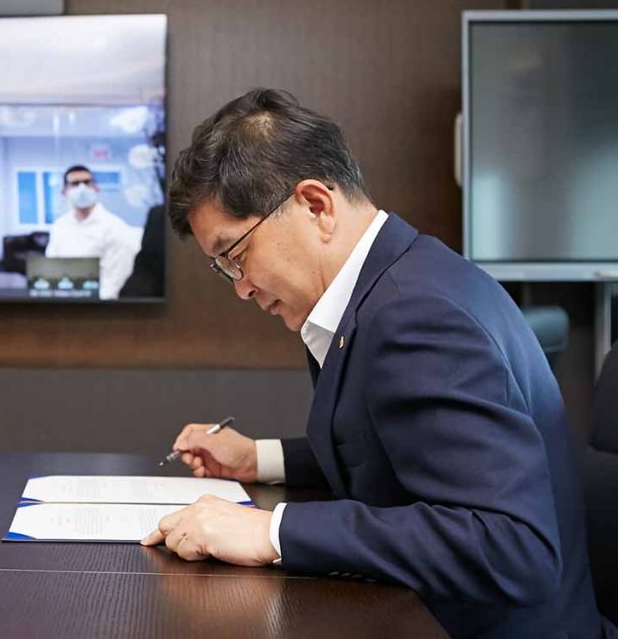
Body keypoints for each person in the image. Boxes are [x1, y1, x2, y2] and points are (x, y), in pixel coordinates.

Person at [140, 89, 607, 637]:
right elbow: (394, 447)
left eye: (236, 256)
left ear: (316, 205)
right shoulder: (396, 285)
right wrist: (257, 460)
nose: (241, 288)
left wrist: (273, 532)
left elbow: (511, 545)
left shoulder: (417, 314)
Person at [44, 165, 142, 300]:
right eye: (75, 184)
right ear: (64, 192)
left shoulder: (115, 228)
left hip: (100, 308)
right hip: (62, 303)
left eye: (87, 182)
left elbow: (115, 281)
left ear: (96, 188)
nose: (82, 188)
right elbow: (51, 268)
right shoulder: (59, 226)